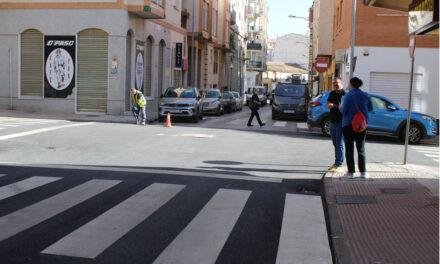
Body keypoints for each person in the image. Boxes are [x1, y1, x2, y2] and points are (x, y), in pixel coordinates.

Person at [341, 77, 373, 179]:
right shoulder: (366, 95)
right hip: (361, 125)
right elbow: (370, 108)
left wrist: (340, 107)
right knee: (361, 148)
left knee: (349, 148)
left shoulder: (348, 95)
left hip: (348, 124)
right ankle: (363, 172)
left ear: (351, 84)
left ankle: (351, 172)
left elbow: (343, 110)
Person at [327, 77, 346, 173]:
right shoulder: (332, 93)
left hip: (341, 121)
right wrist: (329, 104)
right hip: (332, 121)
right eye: (334, 83)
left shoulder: (344, 94)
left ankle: (339, 164)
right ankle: (336, 162)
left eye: (337, 83)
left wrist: (334, 105)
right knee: (335, 143)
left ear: (341, 83)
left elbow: (344, 108)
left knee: (339, 143)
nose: (335, 84)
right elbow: (328, 103)